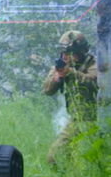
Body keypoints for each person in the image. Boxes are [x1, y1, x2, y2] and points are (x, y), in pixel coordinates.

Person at [42, 30, 98, 164]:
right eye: (64, 53)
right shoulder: (61, 65)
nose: (65, 56)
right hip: (77, 119)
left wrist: (72, 73)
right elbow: (47, 90)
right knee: (54, 157)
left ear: (80, 51)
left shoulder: (93, 63)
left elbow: (95, 81)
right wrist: (57, 78)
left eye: (69, 53)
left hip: (97, 118)